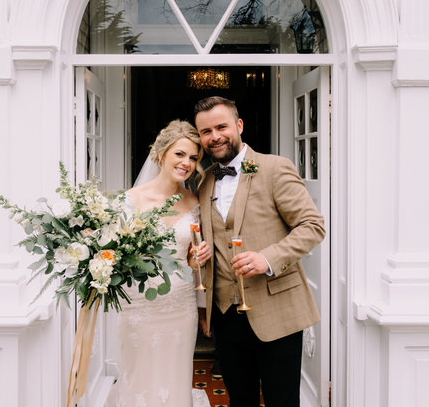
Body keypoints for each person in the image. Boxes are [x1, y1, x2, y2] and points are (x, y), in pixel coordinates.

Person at [194, 96, 325, 407]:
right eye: (206, 131)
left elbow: (312, 226)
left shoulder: (275, 168)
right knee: (241, 399)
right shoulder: (202, 181)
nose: (215, 136)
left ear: (238, 125)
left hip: (277, 309)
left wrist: (267, 258)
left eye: (221, 126)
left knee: (282, 401)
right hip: (225, 315)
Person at [109, 119, 213, 407]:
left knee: (175, 377)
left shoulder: (194, 203)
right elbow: (112, 255)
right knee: (138, 375)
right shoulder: (129, 201)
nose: (187, 163)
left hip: (180, 306)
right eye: (180, 154)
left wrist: (196, 261)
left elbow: (193, 262)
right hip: (138, 306)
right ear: (161, 153)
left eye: (193, 157)